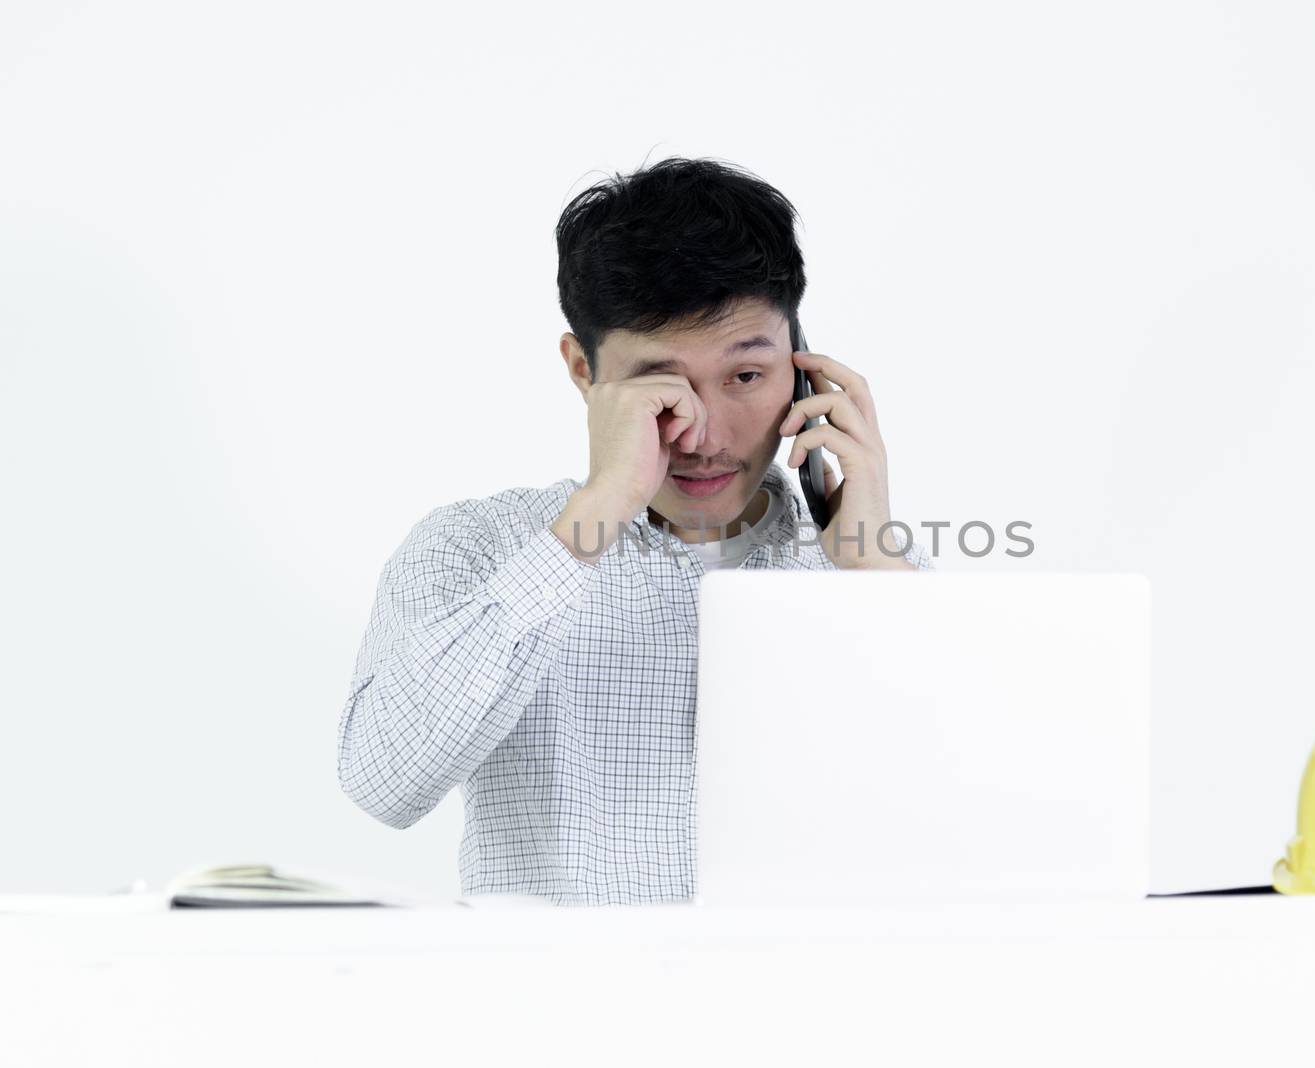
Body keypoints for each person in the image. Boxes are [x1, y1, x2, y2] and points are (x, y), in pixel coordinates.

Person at [336, 156, 932, 904]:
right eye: (661, 386)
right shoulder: (473, 548)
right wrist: (598, 509)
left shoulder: (873, 568)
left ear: (803, 373)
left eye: (745, 377)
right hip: (556, 1005)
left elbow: (993, 808)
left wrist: (873, 572)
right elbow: (383, 783)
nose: (703, 433)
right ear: (583, 370)